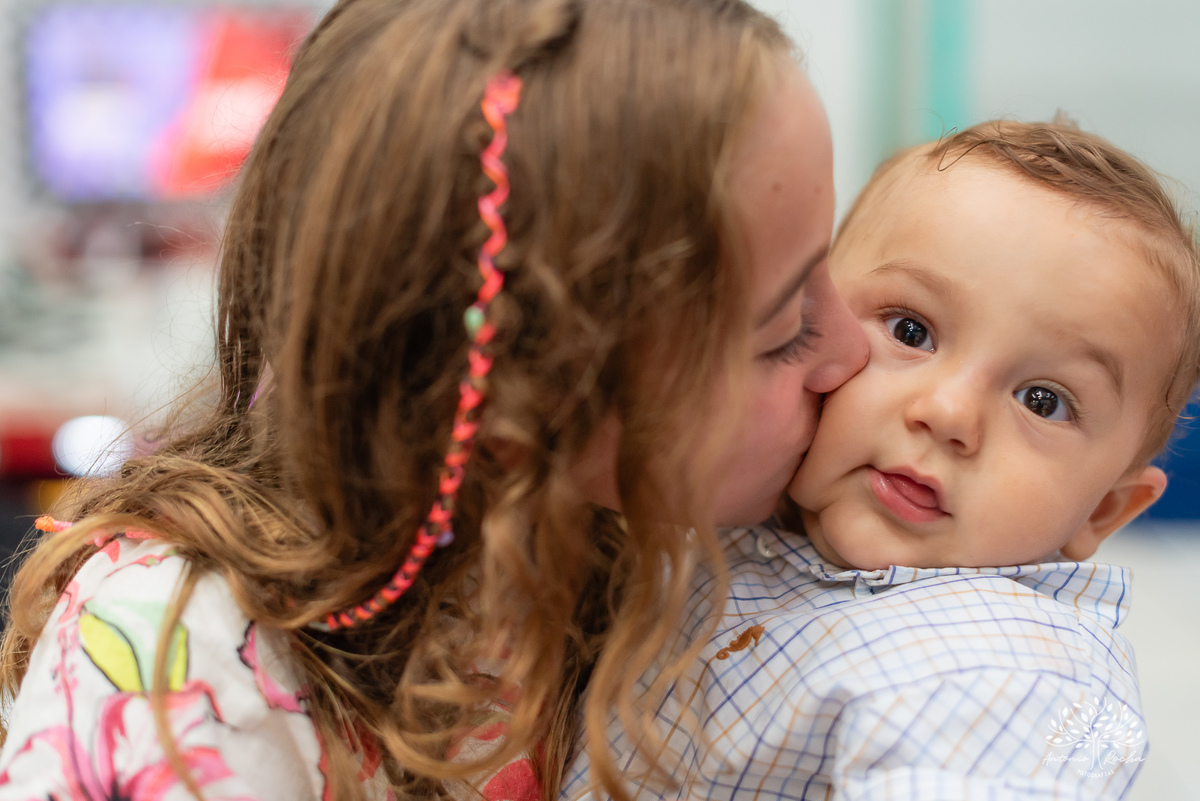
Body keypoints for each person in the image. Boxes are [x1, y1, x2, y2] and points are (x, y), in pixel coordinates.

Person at [0, 1, 868, 799]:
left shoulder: (619, 549)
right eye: (784, 325)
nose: (851, 347)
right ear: (535, 396)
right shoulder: (176, 666)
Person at [561, 120, 1200, 800]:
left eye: (1042, 400)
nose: (950, 413)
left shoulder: (1016, 670)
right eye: (911, 330)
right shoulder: (735, 518)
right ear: (812, 320)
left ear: (1102, 510)